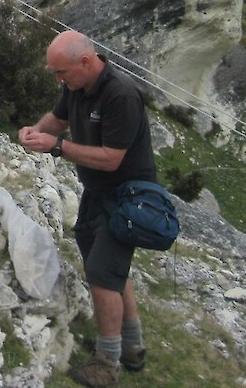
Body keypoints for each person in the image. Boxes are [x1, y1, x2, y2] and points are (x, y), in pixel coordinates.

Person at [18, 30, 157, 388]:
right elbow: (57, 119)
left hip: (128, 198)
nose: (58, 79)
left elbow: (112, 159)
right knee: (111, 271)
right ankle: (133, 348)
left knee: (101, 275)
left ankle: (107, 364)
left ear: (85, 61)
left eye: (61, 72)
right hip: (97, 193)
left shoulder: (120, 95)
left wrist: (57, 147)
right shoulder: (76, 86)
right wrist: (35, 133)